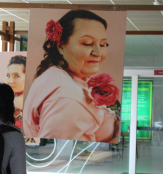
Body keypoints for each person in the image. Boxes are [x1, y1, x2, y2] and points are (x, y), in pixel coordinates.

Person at [23, 10, 120, 143]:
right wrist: (113, 142)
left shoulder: (58, 75)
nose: (98, 52)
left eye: (103, 44)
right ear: (61, 45)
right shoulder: (66, 96)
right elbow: (57, 155)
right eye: (87, 43)